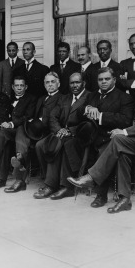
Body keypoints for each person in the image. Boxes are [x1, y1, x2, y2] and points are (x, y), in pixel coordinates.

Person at [67, 72, 135, 214]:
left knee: (118, 139)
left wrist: (124, 132)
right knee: (122, 153)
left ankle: (91, 177)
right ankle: (125, 200)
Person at [78, 67, 135, 207]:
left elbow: (126, 120)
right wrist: (88, 109)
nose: (103, 82)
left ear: (114, 80)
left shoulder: (124, 97)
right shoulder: (91, 96)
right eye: (100, 79)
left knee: (103, 152)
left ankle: (100, 196)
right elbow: (78, 112)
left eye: (107, 79)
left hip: (110, 137)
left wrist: (101, 115)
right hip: (91, 137)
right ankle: (68, 185)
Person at [34, 72, 90, 200]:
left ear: (84, 83)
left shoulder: (90, 97)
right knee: (40, 144)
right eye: (72, 83)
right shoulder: (65, 98)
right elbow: (53, 116)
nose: (74, 85)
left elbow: (88, 123)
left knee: (63, 145)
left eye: (77, 82)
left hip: (79, 136)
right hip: (61, 134)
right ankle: (51, 179)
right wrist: (59, 130)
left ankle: (63, 186)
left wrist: (70, 130)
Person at [7, 71, 63, 192]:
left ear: (58, 83)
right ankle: (20, 161)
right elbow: (31, 115)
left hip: (48, 132)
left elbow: (55, 118)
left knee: (32, 141)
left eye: (53, 82)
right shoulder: (41, 98)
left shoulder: (62, 98)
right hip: (35, 130)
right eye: (47, 82)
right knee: (21, 128)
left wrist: (38, 121)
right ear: (44, 85)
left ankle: (20, 174)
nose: (50, 85)